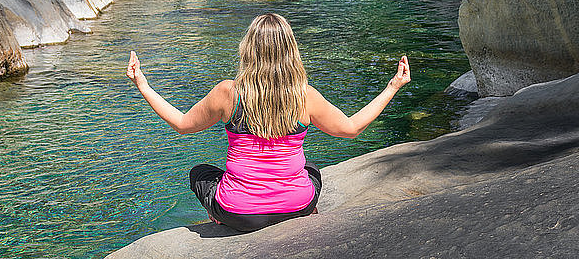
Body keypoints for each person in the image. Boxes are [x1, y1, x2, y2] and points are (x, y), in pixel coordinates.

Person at [126, 13, 410, 232]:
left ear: (248, 49)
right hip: (297, 207)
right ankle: (306, 211)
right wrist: (392, 86)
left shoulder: (229, 92)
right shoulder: (303, 95)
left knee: (199, 173)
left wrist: (144, 84)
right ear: (291, 51)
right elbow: (351, 128)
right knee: (311, 169)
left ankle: (218, 218)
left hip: (238, 214)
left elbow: (182, 124)